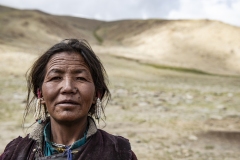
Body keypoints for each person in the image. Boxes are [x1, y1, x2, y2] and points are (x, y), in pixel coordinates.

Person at [0, 39, 138, 160]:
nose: (67, 87)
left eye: (80, 78)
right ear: (40, 93)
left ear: (97, 94)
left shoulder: (119, 153)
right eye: (55, 78)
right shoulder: (14, 153)